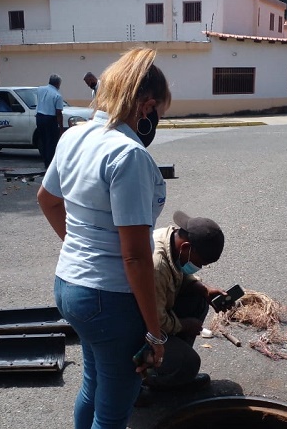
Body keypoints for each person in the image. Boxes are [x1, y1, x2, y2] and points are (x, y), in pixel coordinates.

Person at [37, 48, 171, 429]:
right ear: (145, 107)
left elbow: (46, 201)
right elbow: (135, 258)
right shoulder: (128, 155)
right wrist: (154, 332)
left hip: (69, 286)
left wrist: (79, 247)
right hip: (109, 299)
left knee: (92, 386)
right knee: (113, 413)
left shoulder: (73, 137)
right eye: (158, 111)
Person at [140, 211, 227, 398]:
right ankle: (147, 378)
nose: (200, 267)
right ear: (187, 247)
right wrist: (185, 325)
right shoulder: (156, 265)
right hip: (138, 325)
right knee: (189, 364)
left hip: (156, 309)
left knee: (199, 300)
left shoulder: (172, 239)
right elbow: (156, 320)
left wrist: (203, 288)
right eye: (200, 263)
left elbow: (178, 271)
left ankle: (171, 366)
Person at [36, 74, 65, 168]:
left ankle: (45, 162)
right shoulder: (57, 95)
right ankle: (50, 165)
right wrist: (61, 128)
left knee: (43, 141)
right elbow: (58, 113)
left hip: (39, 117)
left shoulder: (40, 89)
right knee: (51, 143)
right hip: (50, 119)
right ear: (58, 83)